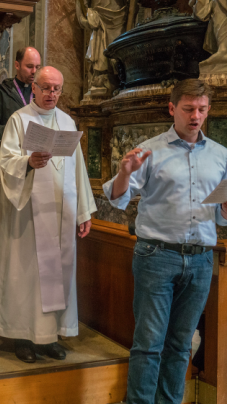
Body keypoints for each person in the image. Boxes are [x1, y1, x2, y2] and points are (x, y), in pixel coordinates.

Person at [103, 79, 227, 404]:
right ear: (172, 109)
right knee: (149, 342)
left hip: (200, 259)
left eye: (201, 109)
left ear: (208, 110)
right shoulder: (150, 150)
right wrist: (124, 173)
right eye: (188, 109)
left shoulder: (220, 155)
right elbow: (116, 199)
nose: (195, 116)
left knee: (182, 343)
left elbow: (222, 216)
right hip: (157, 256)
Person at [0, 66, 96, 363]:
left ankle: (49, 336)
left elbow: (78, 170)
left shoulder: (66, 121)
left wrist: (84, 212)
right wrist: (28, 161)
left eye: (57, 89)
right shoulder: (19, 120)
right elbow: (6, 162)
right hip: (27, 214)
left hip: (60, 212)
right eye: (46, 87)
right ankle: (23, 337)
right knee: (25, 275)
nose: (52, 93)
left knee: (57, 274)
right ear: (34, 88)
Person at [0, 46, 41, 259]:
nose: (34, 71)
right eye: (29, 66)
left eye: (37, 66)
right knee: (7, 216)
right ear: (16, 65)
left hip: (37, 166)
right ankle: (2, 259)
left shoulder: (40, 95)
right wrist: (18, 132)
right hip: (8, 166)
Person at [76, 0, 140, 97]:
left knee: (117, 48)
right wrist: (85, 19)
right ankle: (101, 79)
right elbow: (82, 4)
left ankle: (119, 79)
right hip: (98, 18)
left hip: (116, 17)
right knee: (99, 51)